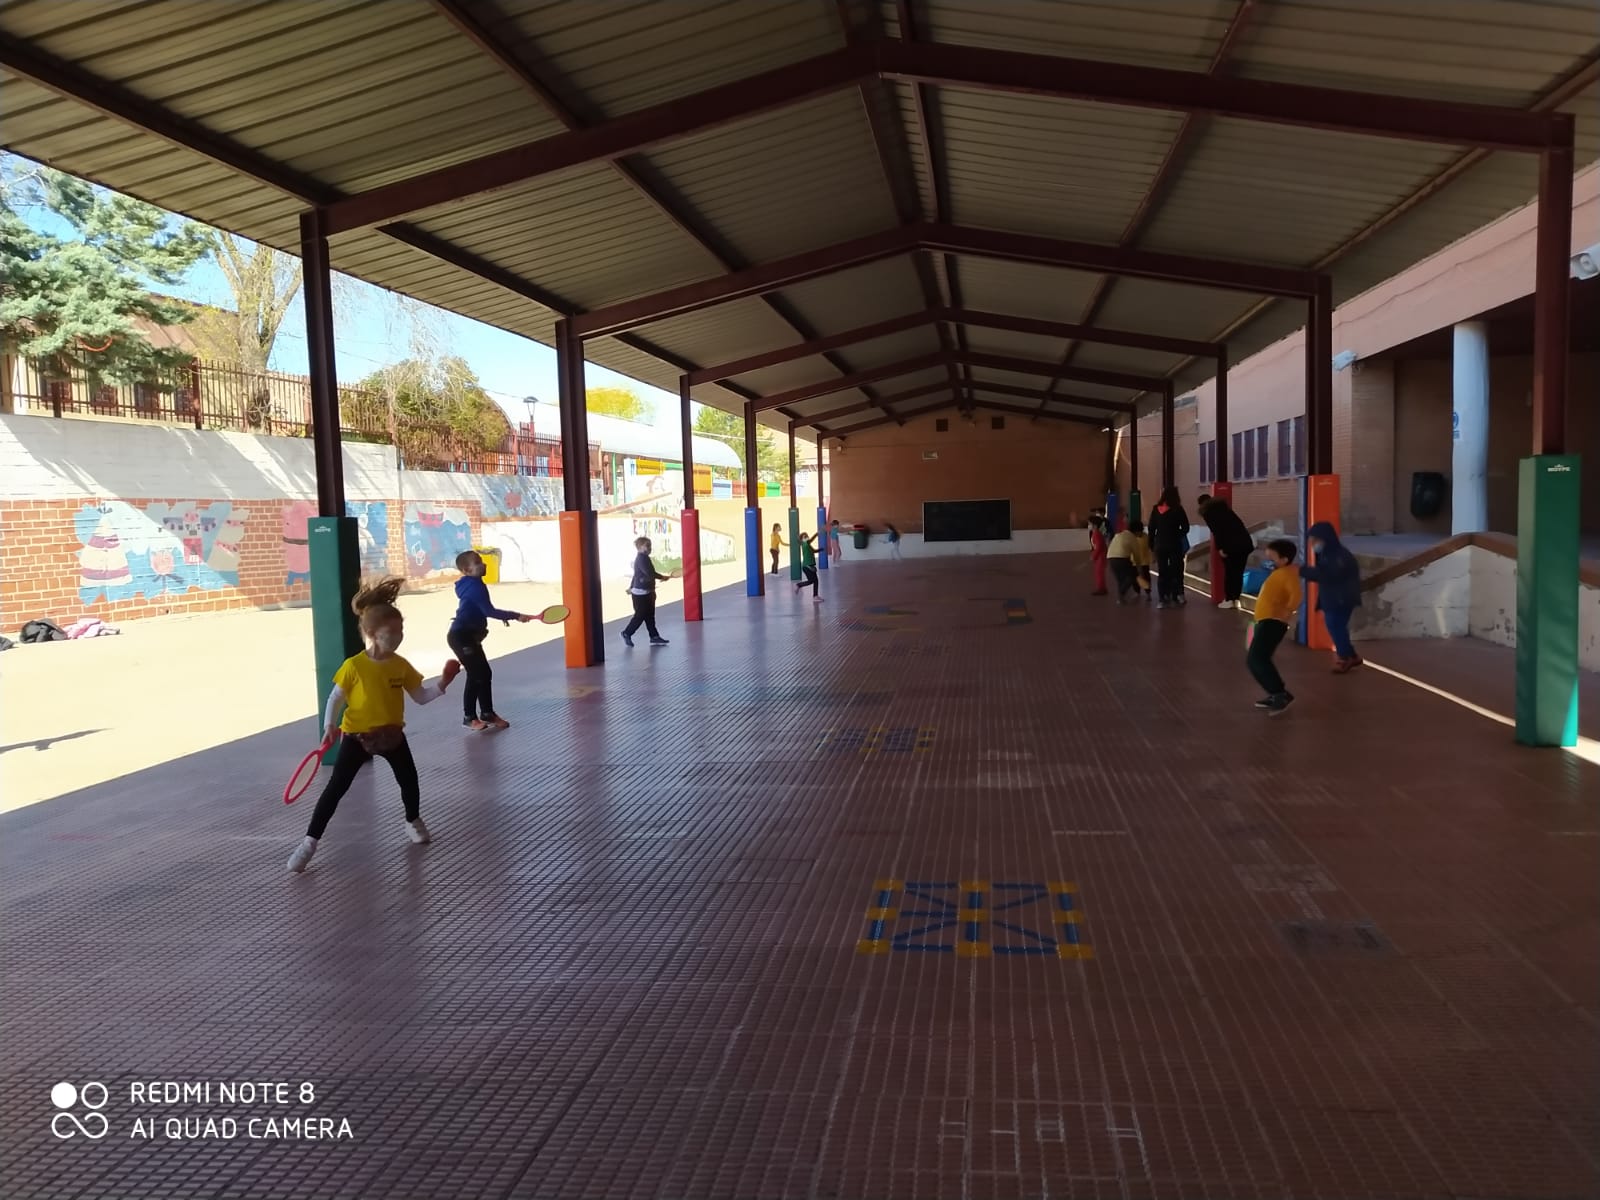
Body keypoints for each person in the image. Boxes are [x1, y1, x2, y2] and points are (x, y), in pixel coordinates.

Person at [287, 577, 456, 873]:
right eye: (392, 632)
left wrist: (443, 682)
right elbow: (335, 698)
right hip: (357, 737)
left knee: (409, 780)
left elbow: (420, 696)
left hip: (392, 736)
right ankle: (309, 843)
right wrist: (329, 725)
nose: (398, 637)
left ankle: (412, 820)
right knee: (335, 789)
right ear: (372, 633)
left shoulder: (401, 665)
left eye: (401, 631)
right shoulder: (354, 666)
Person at [448, 550, 534, 732]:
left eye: (481, 561)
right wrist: (516, 616)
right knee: (476, 674)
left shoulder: (471, 584)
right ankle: (469, 717)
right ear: (467, 570)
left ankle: (487, 713)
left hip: (469, 636)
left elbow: (481, 611)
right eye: (478, 562)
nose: (483, 564)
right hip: (461, 637)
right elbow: (489, 611)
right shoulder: (475, 587)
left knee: (484, 673)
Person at [1247, 539, 1303, 716]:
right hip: (1264, 620)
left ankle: (1279, 694)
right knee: (1258, 659)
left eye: (1272, 558)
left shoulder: (1288, 573)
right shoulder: (1280, 572)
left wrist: (1288, 610)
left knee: (1256, 659)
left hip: (1273, 622)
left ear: (1284, 559)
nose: (1268, 561)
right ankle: (1276, 693)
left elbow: (1296, 595)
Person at [1300, 521, 1364, 673]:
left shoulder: (1338, 556)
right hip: (1335, 597)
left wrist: (1304, 571)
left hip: (1341, 598)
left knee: (1336, 626)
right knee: (1336, 627)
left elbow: (1328, 575)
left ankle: (1345, 657)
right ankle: (1350, 655)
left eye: (1315, 540)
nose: (1312, 544)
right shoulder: (1328, 554)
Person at [1196, 493, 1255, 610]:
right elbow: (1238, 525)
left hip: (1231, 546)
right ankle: (1236, 599)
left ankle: (1229, 600)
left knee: (1230, 573)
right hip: (1244, 543)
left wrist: (1221, 548)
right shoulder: (1225, 509)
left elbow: (1217, 531)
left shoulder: (1208, 513)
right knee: (1238, 573)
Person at [622, 536, 673, 648]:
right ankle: (627, 633)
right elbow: (650, 574)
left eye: (650, 546)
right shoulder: (642, 559)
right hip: (640, 593)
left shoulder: (644, 558)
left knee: (650, 616)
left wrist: (631, 586)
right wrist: (662, 577)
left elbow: (637, 575)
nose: (650, 548)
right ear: (640, 547)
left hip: (648, 592)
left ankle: (654, 636)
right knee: (640, 615)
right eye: (647, 546)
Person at [1145, 487, 1190, 608]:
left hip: (1160, 544)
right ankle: (1178, 595)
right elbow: (1186, 527)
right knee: (1177, 570)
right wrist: (1177, 534)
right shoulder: (1178, 509)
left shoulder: (1156, 509)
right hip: (1174, 544)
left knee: (1162, 571)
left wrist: (1151, 545)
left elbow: (1151, 528)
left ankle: (1162, 599)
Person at [1105, 520, 1149, 604]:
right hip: (1122, 558)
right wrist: (1139, 569)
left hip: (1111, 558)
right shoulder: (1133, 538)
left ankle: (1120, 599)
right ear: (1137, 531)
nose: (1141, 534)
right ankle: (1121, 595)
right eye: (1141, 531)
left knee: (1120, 579)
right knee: (1132, 576)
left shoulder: (1120, 534)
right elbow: (1136, 556)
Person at [1087, 507, 1109, 596]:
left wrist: (1094, 556)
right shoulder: (1095, 533)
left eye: (1090, 524)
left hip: (1100, 557)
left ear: (1095, 526)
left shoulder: (1096, 534)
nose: (1088, 526)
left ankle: (1101, 589)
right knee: (1098, 573)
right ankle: (1102, 588)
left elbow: (1099, 547)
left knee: (1099, 573)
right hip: (1099, 557)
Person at [796, 532, 821, 602]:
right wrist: (816, 534)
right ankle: (815, 596)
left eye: (806, 536)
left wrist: (820, 550)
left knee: (813, 581)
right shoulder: (805, 544)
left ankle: (799, 585)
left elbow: (814, 551)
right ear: (802, 539)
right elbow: (810, 540)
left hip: (809, 565)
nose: (806, 537)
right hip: (808, 566)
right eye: (804, 537)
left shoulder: (807, 545)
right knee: (814, 581)